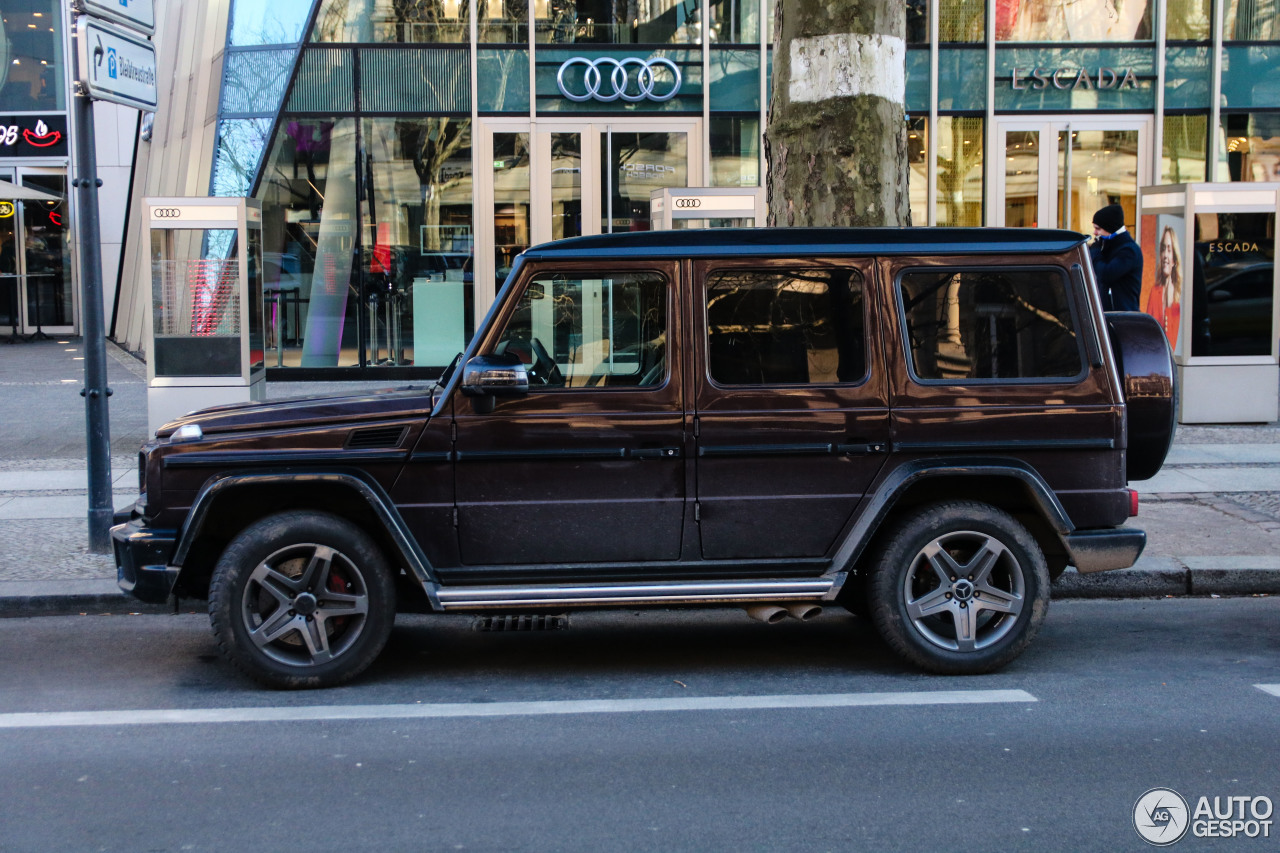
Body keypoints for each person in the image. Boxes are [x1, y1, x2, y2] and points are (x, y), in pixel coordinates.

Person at [1089, 203, 1142, 311]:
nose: (1095, 233)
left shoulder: (1129, 251)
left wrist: (1094, 252)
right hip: (1110, 314)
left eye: (1098, 229)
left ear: (1110, 228)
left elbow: (1106, 274)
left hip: (1123, 318)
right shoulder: (1108, 246)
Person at [1145, 224, 1181, 345]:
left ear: (1175, 259)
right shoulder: (1154, 291)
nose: (1165, 255)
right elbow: (1147, 330)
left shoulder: (1179, 294)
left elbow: (1173, 340)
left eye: (1169, 250)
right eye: (1163, 249)